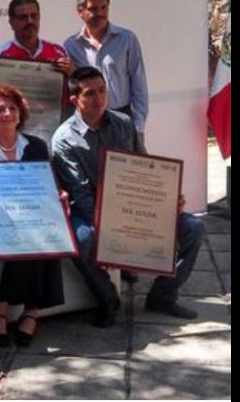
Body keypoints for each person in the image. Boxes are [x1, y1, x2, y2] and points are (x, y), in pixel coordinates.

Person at [51, 66, 204, 328]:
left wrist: (167, 197)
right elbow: (81, 193)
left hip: (133, 202)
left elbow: (145, 166)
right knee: (82, 239)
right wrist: (112, 230)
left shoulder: (124, 123)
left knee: (194, 227)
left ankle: (163, 295)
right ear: (74, 99)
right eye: (90, 93)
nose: (99, 98)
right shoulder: (63, 139)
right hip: (90, 209)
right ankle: (107, 300)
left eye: (102, 91)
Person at [0, 86, 65, 346]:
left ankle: (21, 310)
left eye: (12, 108)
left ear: (20, 114)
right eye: (0, 109)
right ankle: (17, 310)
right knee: (25, 231)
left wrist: (57, 195)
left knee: (43, 230)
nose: (7, 113)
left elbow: (46, 187)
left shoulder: (37, 146)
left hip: (27, 216)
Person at [63, 0, 148, 147]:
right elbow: (75, 87)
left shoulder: (126, 39)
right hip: (89, 122)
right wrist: (73, 72)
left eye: (104, 7)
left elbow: (139, 85)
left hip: (122, 119)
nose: (100, 13)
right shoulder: (71, 45)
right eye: (93, 8)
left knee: (127, 165)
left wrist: (138, 127)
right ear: (80, 11)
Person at [0, 0, 73, 86]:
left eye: (34, 16)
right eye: (23, 17)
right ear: (11, 23)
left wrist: (72, 75)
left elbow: (74, 89)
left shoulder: (58, 52)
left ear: (39, 18)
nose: (30, 21)